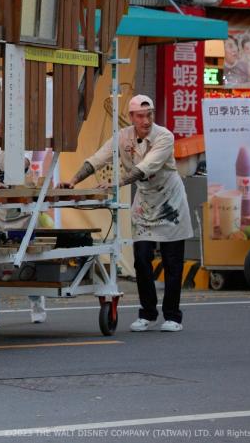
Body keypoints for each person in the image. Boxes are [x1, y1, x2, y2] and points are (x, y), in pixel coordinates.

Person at [60, 95, 192, 332]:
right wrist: (73, 180)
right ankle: (147, 313)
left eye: (149, 114)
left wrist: (116, 183)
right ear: (131, 117)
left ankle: (173, 315)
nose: (146, 120)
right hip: (144, 202)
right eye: (140, 116)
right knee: (141, 259)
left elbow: (146, 167)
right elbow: (98, 158)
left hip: (170, 202)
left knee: (173, 262)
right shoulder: (123, 136)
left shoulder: (164, 136)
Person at [0, 145, 46, 327]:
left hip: (20, 197)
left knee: (27, 253)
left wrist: (7, 184)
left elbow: (24, 162)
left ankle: (36, 299)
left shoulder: (18, 133)